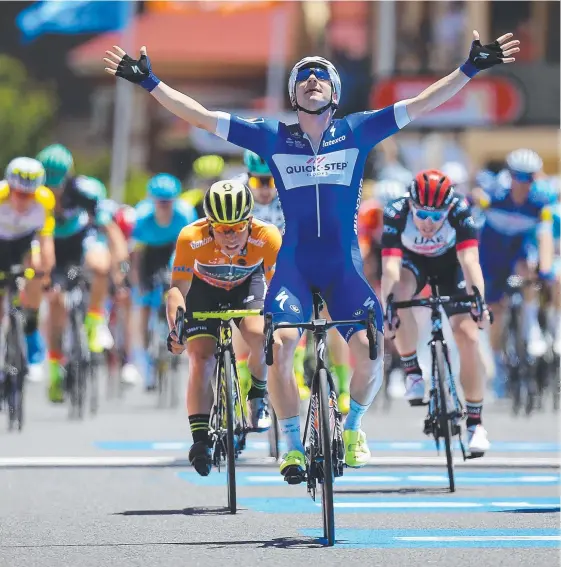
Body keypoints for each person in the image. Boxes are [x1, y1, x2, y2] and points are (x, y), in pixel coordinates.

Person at [104, 29, 519, 481]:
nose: (313, 79)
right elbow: (202, 117)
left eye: (322, 75)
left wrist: (471, 68)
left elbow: (422, 103)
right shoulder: (272, 138)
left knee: (370, 353)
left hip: (344, 270)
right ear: (294, 93)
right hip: (295, 269)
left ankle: (355, 427)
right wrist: (149, 82)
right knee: (279, 348)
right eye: (304, 76)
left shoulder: (358, 131)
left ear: (335, 92)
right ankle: (290, 445)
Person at [166, 180, 282, 476]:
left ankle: (258, 393)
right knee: (201, 359)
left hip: (247, 286)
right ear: (209, 224)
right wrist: (176, 328)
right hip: (203, 290)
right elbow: (177, 289)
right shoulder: (191, 236)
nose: (230, 236)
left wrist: (278, 323)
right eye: (222, 229)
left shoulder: (267, 235)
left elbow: (278, 287)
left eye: (238, 228)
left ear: (250, 221)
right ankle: (200, 439)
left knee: (265, 340)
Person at [381, 169, 491, 456]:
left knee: (467, 335)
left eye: (436, 217)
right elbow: (390, 267)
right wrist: (388, 308)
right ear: (411, 206)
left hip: (450, 265)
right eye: (422, 216)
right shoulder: (395, 211)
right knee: (399, 295)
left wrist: (479, 303)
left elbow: (470, 260)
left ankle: (475, 423)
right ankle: (412, 371)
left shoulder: (460, 209)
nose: (428, 224)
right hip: (412, 264)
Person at [36, 144, 129, 403]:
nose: (54, 189)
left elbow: (111, 231)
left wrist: (121, 269)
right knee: (55, 301)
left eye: (59, 183)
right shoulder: (35, 196)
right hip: (51, 246)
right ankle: (54, 369)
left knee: (100, 265)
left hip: (80, 242)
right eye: (50, 183)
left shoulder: (83, 191)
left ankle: (93, 322)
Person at [472, 149, 556, 395]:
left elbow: (545, 236)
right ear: (509, 176)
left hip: (518, 248)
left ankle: (529, 326)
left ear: (536, 177)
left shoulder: (542, 199)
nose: (523, 183)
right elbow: (476, 197)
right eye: (518, 177)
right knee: (495, 312)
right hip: (491, 252)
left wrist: (547, 267)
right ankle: (498, 365)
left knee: (529, 269)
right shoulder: (495, 193)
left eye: (528, 177)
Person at [130, 173, 197, 389]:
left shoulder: (185, 214)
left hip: (173, 251)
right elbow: (136, 255)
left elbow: (189, 250)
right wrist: (137, 282)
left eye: (168, 202)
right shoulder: (141, 217)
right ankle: (145, 363)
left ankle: (179, 331)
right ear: (152, 201)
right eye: (160, 202)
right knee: (144, 306)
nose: (164, 207)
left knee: (177, 289)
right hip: (149, 254)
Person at [0, 157, 55, 365]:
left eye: (29, 195)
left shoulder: (44, 201)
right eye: (20, 194)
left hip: (24, 242)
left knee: (37, 268)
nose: (24, 200)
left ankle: (30, 330)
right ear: (10, 189)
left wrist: (46, 273)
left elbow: (46, 240)